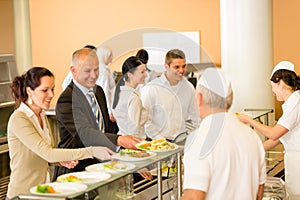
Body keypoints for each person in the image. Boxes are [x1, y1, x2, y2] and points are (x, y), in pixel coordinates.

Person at [6, 67, 115, 199]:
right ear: (29, 91)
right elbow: (48, 153)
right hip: (22, 195)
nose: (51, 95)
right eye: (45, 90)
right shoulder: (19, 119)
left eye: (52, 89)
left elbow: (45, 154)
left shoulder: (41, 115)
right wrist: (91, 151)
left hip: (43, 192)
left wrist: (59, 161)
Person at [53, 48, 142, 180]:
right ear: (73, 70)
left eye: (96, 69)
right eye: (87, 70)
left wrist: (127, 149)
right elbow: (85, 133)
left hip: (101, 169)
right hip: (76, 172)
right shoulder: (67, 99)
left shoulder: (98, 91)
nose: (94, 75)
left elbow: (106, 127)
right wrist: (119, 140)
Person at [181, 68, 266, 200]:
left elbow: (194, 197)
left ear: (199, 98)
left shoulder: (200, 139)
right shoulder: (252, 136)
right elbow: (259, 193)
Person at [238, 61, 300, 198]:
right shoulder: (292, 103)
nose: (272, 92)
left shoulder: (295, 103)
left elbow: (274, 133)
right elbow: (277, 138)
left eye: (272, 87)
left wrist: (249, 120)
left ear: (279, 82)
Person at [140, 49, 200, 140]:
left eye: (183, 66)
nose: (181, 70)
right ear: (166, 66)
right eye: (176, 67)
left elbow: (195, 117)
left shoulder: (189, 88)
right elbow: (144, 120)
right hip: (158, 143)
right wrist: (160, 140)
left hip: (182, 141)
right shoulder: (152, 89)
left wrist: (197, 135)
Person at [112, 56, 149, 139]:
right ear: (130, 75)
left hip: (123, 141)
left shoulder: (119, 93)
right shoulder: (133, 98)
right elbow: (134, 130)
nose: (146, 75)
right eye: (142, 72)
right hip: (133, 144)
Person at [96, 46, 116, 122]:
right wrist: (110, 112)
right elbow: (105, 91)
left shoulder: (101, 70)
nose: (112, 58)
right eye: (110, 56)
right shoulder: (104, 72)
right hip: (107, 109)